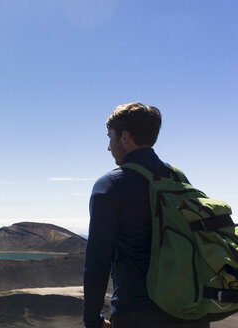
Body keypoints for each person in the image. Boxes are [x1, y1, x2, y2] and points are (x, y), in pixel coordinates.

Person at [83, 102, 210, 328]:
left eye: (109, 137)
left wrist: (92, 319)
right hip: (191, 311)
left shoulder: (110, 185)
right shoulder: (177, 177)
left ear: (125, 137)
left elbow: (97, 260)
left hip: (138, 313)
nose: (108, 146)